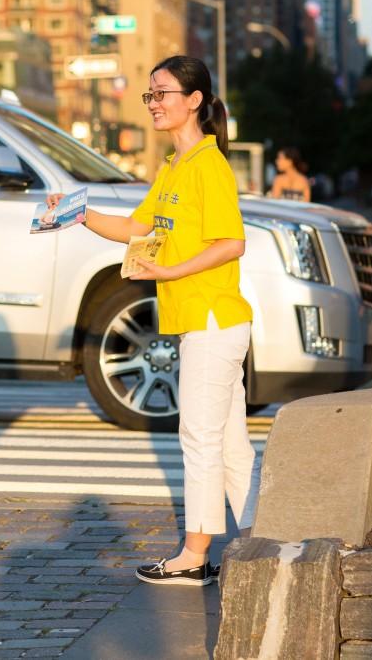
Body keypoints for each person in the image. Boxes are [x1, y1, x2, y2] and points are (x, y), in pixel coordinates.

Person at [47, 55, 261, 586]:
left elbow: (232, 243)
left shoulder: (209, 166)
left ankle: (194, 556)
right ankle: (264, 539)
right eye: (149, 95)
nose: (154, 103)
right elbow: (135, 226)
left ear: (194, 101)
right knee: (229, 442)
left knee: (199, 436)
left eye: (163, 93)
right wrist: (75, 212)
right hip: (200, 321)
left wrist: (170, 268)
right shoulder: (173, 168)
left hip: (213, 319)